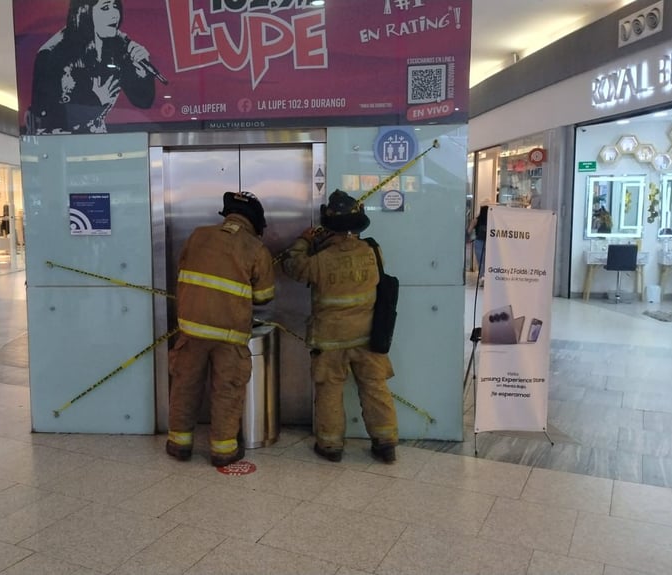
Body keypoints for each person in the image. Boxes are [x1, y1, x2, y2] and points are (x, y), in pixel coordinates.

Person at [282, 190, 398, 464]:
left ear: (327, 226)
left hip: (330, 339)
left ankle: (330, 446)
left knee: (329, 391)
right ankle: (385, 443)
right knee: (375, 389)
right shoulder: (373, 251)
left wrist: (304, 241)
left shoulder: (319, 260)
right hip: (369, 336)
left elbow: (291, 266)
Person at [166, 191, 276, 467]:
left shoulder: (198, 235)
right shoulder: (255, 249)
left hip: (191, 331)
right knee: (228, 389)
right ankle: (223, 450)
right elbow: (264, 297)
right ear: (256, 222)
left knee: (185, 385)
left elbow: (183, 271)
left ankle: (179, 444)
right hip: (229, 336)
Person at [26, 0, 156, 134]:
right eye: (105, 7)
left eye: (115, 6)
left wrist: (142, 72)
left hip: (100, 142)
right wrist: (95, 103)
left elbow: (143, 101)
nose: (114, 15)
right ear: (85, 11)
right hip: (61, 145)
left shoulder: (119, 44)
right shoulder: (51, 54)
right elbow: (43, 116)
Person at [467, 203, 489, 286]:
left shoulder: (476, 220)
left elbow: (469, 230)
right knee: (488, 261)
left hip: (479, 242)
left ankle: (482, 278)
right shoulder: (491, 221)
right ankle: (486, 278)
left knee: (481, 262)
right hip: (490, 243)